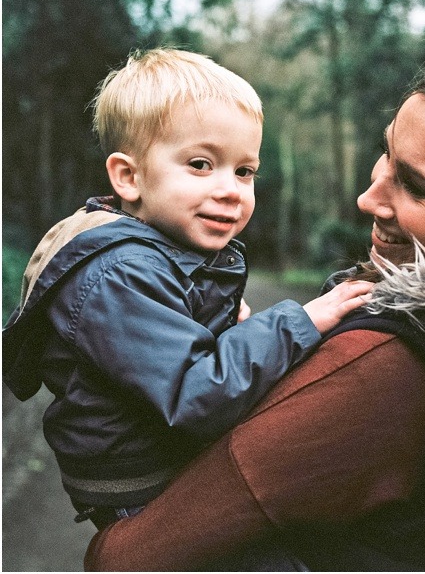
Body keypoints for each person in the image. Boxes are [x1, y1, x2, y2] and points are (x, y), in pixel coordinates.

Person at [84, 52, 425, 571]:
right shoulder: (124, 273)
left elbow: (128, 560)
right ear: (127, 177)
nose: (364, 197)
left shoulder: (378, 367)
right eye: (386, 152)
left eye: (417, 186)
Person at [2, 49, 372, 532]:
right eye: (201, 164)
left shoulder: (166, 255)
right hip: (142, 487)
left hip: (162, 463)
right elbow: (195, 393)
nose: (230, 189)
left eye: (244, 171)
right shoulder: (121, 274)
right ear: (129, 177)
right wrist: (296, 323)